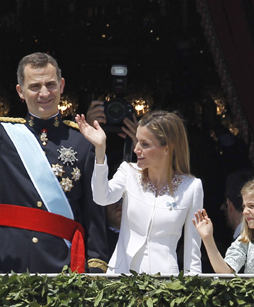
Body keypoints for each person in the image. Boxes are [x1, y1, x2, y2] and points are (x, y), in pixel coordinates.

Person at [0, 36, 108, 273]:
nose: (44, 93)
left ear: (62, 86)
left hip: (63, 267)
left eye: (50, 84)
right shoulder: (1, 134)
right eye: (35, 86)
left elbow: (93, 213)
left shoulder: (83, 141)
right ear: (20, 91)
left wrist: (96, 268)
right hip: (7, 262)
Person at [78, 110, 203, 275]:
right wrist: (100, 150)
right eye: (137, 142)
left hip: (164, 283)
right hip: (121, 279)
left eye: (145, 144)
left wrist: (191, 292)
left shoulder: (192, 187)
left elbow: (192, 254)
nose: (136, 149)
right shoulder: (128, 171)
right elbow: (102, 198)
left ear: (167, 148)